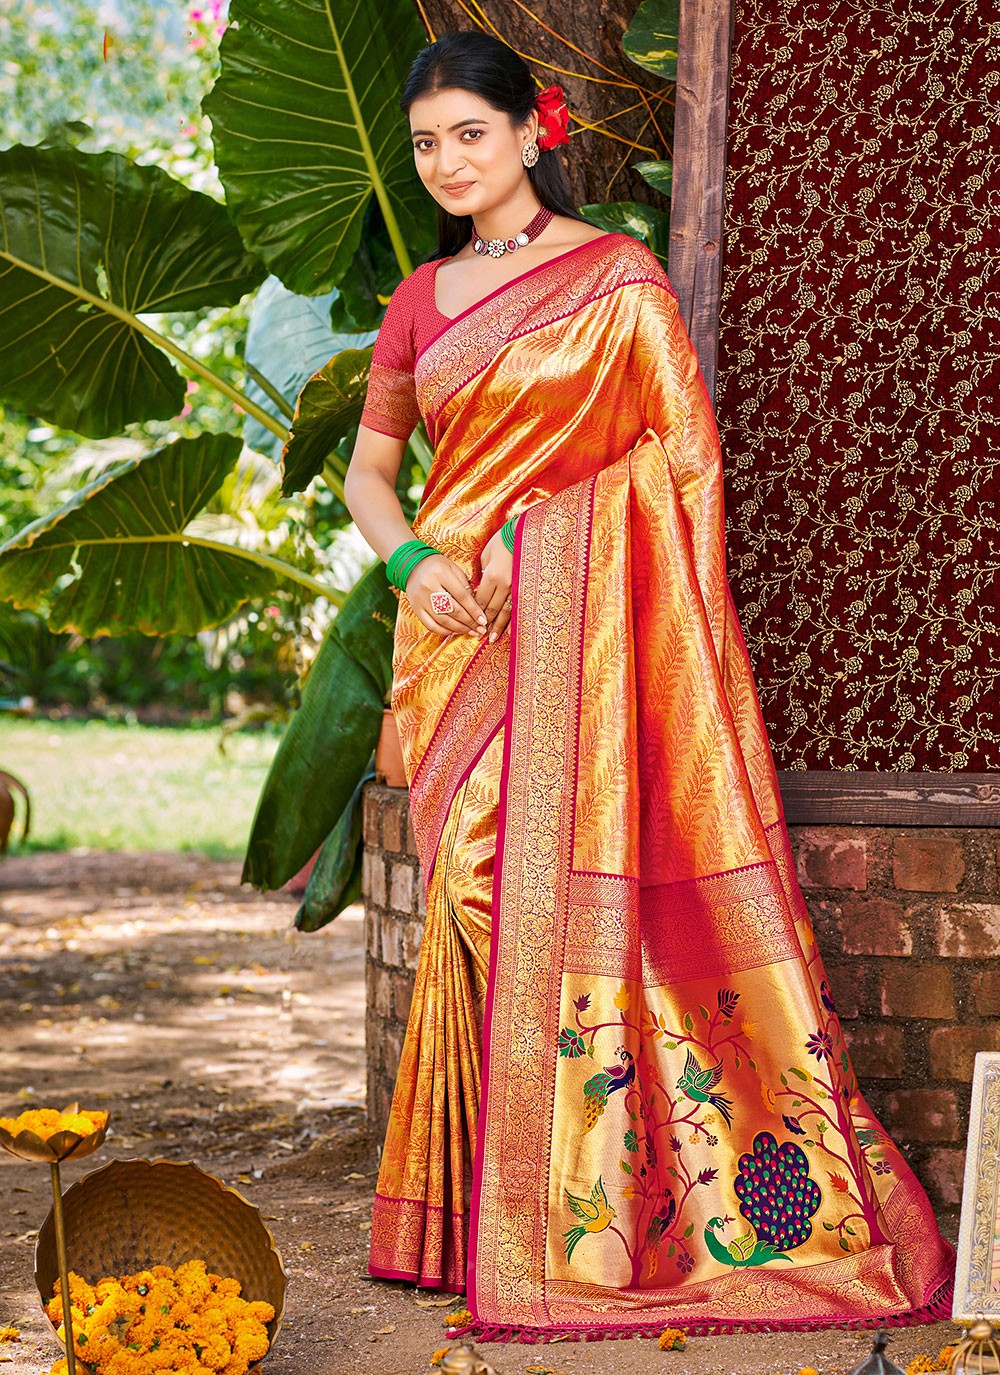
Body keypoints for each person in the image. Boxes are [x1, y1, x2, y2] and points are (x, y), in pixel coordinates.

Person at [343, 29, 953, 1342]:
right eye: (427, 143)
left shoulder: (619, 279)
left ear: (532, 132)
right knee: (468, 891)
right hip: (453, 637)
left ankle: (587, 1218)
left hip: (583, 633)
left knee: (518, 884)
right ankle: (479, 1223)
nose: (448, 162)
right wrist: (410, 561)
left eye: (470, 134)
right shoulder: (421, 298)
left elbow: (683, 463)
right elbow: (371, 473)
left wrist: (542, 541)